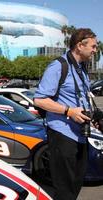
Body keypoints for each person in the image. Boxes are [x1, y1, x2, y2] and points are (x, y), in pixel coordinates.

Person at [34, 28, 97, 200]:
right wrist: (68, 111)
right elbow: (39, 100)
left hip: (80, 134)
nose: (95, 50)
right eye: (93, 46)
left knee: (76, 184)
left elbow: (81, 98)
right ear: (79, 45)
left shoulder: (81, 69)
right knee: (64, 190)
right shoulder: (58, 66)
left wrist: (94, 117)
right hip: (62, 134)